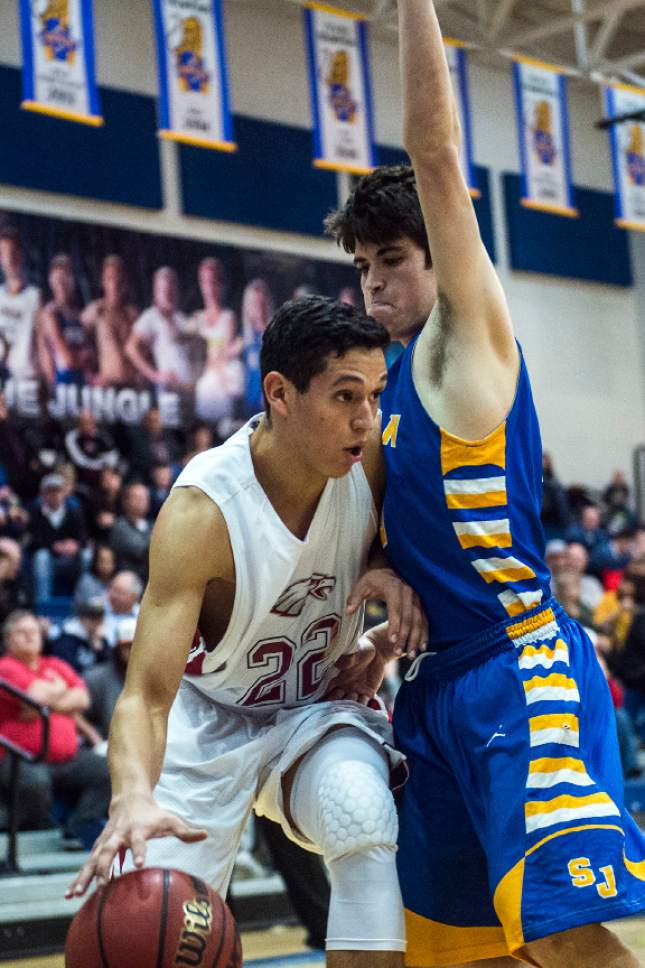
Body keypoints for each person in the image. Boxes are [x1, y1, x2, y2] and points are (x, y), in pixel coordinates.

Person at [324, 3, 645, 965]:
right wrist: (380, 577)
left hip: (518, 672)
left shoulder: (465, 345)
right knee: (464, 956)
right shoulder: (380, 396)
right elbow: (401, 531)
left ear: (442, 262)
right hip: (430, 689)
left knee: (563, 941)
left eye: (392, 261)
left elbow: (434, 151)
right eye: (361, 267)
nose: (373, 284)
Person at [68, 296, 429, 968]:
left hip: (311, 708)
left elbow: (415, 561)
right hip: (206, 721)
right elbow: (146, 695)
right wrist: (132, 798)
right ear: (279, 393)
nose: (365, 419)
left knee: (362, 817)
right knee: (150, 926)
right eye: (344, 396)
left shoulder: (369, 462)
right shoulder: (202, 513)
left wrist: (381, 612)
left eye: (375, 395)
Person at [0, 610, 110, 846]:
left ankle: (79, 825)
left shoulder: (55, 664)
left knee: (110, 769)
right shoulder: (6, 667)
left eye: (33, 631)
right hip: (21, 757)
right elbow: (35, 696)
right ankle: (29, 841)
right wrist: (61, 692)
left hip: (67, 756)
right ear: (8, 640)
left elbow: (83, 699)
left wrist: (45, 703)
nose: (30, 637)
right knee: (34, 783)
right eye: (22, 632)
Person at [192, 257, 244, 424]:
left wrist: (217, 358)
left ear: (222, 285)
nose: (210, 287)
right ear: (201, 284)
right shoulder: (195, 319)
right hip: (201, 389)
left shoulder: (228, 317)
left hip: (222, 386)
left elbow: (224, 357)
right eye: (206, 282)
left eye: (215, 281)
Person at [125, 266, 194, 391]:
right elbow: (131, 348)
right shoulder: (151, 316)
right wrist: (155, 376)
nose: (168, 294)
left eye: (171, 289)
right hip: (169, 388)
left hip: (188, 388)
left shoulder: (182, 318)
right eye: (163, 290)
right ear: (156, 291)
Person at [80, 254, 139, 386]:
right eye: (110, 278)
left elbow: (145, 350)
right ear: (103, 281)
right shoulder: (95, 310)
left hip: (132, 385)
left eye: (119, 279)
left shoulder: (132, 314)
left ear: (125, 282)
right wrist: (90, 375)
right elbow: (77, 341)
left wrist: (141, 377)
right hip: (107, 384)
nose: (115, 284)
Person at [37, 254, 95, 387]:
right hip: (63, 378)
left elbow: (91, 354)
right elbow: (67, 359)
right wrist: (84, 357)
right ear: (51, 281)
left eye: (65, 278)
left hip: (83, 379)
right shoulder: (51, 312)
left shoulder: (78, 313)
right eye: (58, 279)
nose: (62, 284)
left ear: (73, 281)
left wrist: (85, 357)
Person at [29, 472, 87, 605]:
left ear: (64, 493)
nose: (54, 495)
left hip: (71, 559)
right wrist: (54, 547)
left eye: (57, 491)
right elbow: (34, 541)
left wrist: (75, 546)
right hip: (50, 559)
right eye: (50, 491)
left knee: (87, 555)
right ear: (43, 494)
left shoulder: (74, 512)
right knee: (41, 557)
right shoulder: (37, 513)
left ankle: (83, 601)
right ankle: (43, 604)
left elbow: (83, 538)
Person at [0, 226, 40, 381]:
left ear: (20, 255)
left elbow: (40, 342)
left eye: (13, 252)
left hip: (25, 378)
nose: (9, 258)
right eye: (4, 253)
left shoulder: (35, 296)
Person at [241, 277, 274, 414]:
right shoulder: (243, 339)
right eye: (255, 304)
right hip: (247, 410)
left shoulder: (277, 336)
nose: (259, 309)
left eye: (262, 303)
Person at [108, 482, 152, 581]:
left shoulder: (152, 525)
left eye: (144, 498)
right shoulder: (120, 526)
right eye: (137, 497)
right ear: (126, 501)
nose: (141, 501)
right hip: (128, 579)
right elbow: (143, 551)